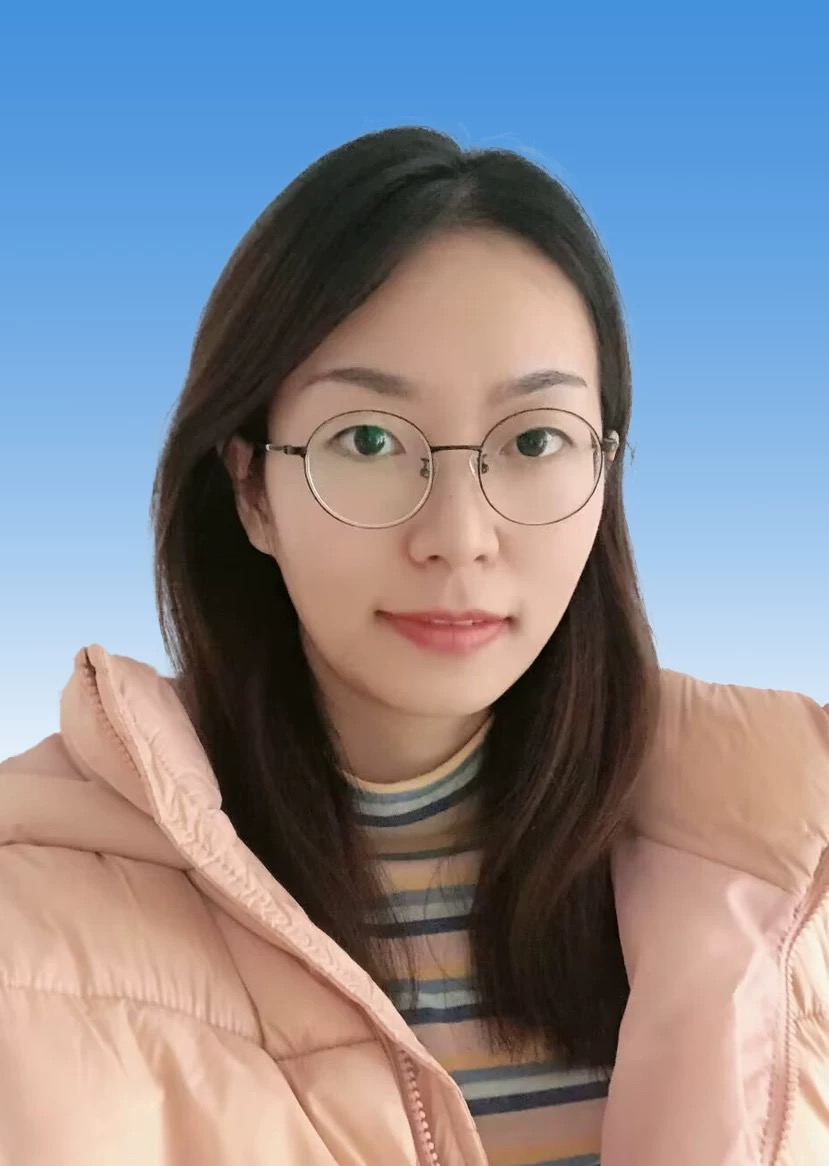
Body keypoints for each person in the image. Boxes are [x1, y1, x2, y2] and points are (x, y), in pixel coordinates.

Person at [0, 127, 826, 1166]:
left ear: (603, 472)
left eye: (533, 440)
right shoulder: (27, 920)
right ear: (251, 488)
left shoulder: (793, 866)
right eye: (369, 440)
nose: (458, 536)